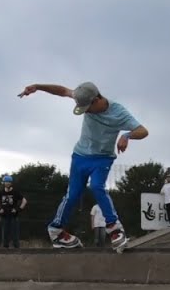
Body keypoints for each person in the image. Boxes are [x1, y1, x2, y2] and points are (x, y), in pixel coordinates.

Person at [16, 80, 149, 249]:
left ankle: (114, 228)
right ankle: (56, 231)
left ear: (96, 100)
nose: (87, 113)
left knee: (96, 186)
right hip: (80, 156)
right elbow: (63, 90)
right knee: (72, 194)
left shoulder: (119, 112)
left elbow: (143, 131)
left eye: (88, 109)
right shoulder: (82, 96)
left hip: (102, 158)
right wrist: (38, 87)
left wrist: (127, 136)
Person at [0, 175, 27, 248]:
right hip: (4, 216)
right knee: (4, 233)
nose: (7, 183)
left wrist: (18, 209)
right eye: (5, 182)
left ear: (11, 183)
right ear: (4, 183)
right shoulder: (1, 192)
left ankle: (17, 248)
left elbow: (24, 201)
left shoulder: (15, 192)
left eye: (8, 182)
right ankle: (5, 248)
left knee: (15, 233)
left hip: (14, 215)